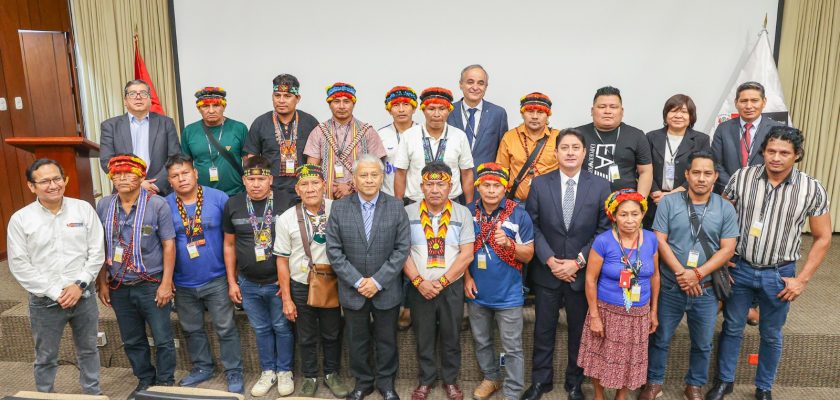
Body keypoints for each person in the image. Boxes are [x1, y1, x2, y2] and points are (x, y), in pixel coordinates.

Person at [706, 127, 831, 400]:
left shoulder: (811, 189)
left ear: (797, 155)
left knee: (771, 334)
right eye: (771, 151)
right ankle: (724, 382)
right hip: (739, 267)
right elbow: (721, 219)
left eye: (784, 153)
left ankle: (764, 387)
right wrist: (722, 261)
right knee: (732, 327)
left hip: (780, 274)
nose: (776, 157)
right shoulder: (742, 178)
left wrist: (802, 280)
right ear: (763, 150)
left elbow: (823, 238)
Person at [639, 151, 738, 400]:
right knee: (660, 337)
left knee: (703, 343)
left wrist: (697, 273)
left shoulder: (725, 207)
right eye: (696, 173)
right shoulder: (669, 203)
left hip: (704, 288)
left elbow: (728, 248)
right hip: (672, 285)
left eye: (707, 173)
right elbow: (659, 240)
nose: (701, 179)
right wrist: (682, 273)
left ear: (715, 176)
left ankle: (694, 384)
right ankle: (654, 382)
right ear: (687, 174)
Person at [523, 129, 612, 400]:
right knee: (543, 329)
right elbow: (532, 226)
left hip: (581, 273)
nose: (570, 152)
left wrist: (578, 262)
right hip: (547, 271)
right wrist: (550, 260)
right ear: (556, 152)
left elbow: (603, 229)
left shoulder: (600, 185)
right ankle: (541, 382)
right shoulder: (539, 184)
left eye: (576, 147)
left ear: (585, 153)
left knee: (578, 332)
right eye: (565, 147)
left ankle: (575, 383)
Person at [6, 159, 105, 395]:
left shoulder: (83, 209)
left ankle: (92, 394)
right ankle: (44, 395)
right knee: (46, 356)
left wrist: (79, 285)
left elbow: (97, 251)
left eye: (57, 179)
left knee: (89, 350)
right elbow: (19, 264)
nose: (53, 185)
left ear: (65, 180)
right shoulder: (21, 219)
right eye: (45, 181)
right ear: (32, 186)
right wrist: (55, 291)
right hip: (44, 300)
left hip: (83, 294)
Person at [326, 154, 411, 400]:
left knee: (386, 340)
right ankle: (363, 383)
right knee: (358, 341)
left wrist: (376, 281)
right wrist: (357, 281)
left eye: (374, 174)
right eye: (363, 175)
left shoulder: (396, 206)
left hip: (386, 289)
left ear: (382, 177)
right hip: (353, 290)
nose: (369, 180)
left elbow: (401, 248)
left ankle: (386, 383)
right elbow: (334, 250)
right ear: (354, 179)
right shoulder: (340, 207)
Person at [94, 154, 177, 399]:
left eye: (128, 173)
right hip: (118, 285)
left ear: (141, 176)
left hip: (151, 283)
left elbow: (169, 246)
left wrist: (166, 284)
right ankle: (144, 380)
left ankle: (165, 382)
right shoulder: (104, 205)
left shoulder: (157, 204)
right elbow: (102, 247)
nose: (122, 178)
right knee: (132, 339)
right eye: (117, 174)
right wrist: (101, 283)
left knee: (162, 338)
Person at [163, 154, 244, 394]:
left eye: (185, 173)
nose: (181, 179)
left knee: (225, 327)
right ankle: (202, 367)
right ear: (169, 181)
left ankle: (233, 370)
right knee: (191, 328)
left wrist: (233, 278)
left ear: (195, 173)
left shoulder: (218, 198)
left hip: (217, 278)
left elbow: (232, 240)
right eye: (175, 176)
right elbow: (163, 244)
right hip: (183, 282)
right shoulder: (164, 205)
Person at [222, 155, 297, 397]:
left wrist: (286, 284)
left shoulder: (286, 202)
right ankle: (268, 371)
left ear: (270, 179)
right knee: (261, 329)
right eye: (251, 179)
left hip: (277, 282)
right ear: (244, 180)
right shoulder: (233, 204)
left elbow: (296, 242)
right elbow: (229, 245)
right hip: (248, 283)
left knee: (282, 327)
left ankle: (285, 371)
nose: (256, 184)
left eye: (261, 179)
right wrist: (232, 282)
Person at [273, 164, 351, 398]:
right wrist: (286, 298)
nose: (310, 189)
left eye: (315, 183)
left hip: (332, 281)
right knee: (305, 335)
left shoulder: (339, 209)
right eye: (304, 184)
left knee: (332, 332)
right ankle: (309, 376)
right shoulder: (286, 219)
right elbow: (281, 260)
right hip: (301, 283)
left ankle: (331, 374)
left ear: (324, 185)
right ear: (297, 189)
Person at [578, 189, 660, 400]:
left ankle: (620, 395)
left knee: (629, 358)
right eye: (623, 214)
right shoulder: (603, 241)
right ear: (614, 216)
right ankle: (599, 395)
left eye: (635, 213)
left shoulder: (651, 240)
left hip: (638, 313)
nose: (629, 220)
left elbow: (655, 276)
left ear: (643, 214)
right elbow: (590, 279)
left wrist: (653, 311)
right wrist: (595, 316)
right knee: (600, 356)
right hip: (607, 312)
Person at [403, 162, 475, 400]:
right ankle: (425, 381)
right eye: (430, 184)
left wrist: (442, 282)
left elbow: (467, 254)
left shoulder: (462, 213)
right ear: (421, 186)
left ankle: (451, 381)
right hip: (419, 287)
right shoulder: (408, 212)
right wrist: (419, 281)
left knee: (451, 335)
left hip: (450, 287)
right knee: (423, 335)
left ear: (450, 186)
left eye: (440, 184)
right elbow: (401, 252)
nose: (435, 189)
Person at [465, 163, 535, 400]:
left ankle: (513, 390)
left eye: (497, 186)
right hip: (476, 292)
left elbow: (529, 255)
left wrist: (509, 244)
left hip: (509, 295)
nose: (492, 190)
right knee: (482, 341)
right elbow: (459, 251)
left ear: (505, 188)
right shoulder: (467, 212)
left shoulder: (518, 214)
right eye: (487, 185)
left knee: (512, 347)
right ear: (478, 187)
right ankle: (491, 378)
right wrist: (466, 278)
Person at [305, 82, 387, 199]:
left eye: (346, 101)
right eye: (336, 101)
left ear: (353, 104)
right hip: (326, 198)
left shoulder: (368, 132)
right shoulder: (318, 132)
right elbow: (311, 171)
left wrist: (351, 187)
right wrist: (328, 187)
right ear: (329, 104)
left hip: (360, 197)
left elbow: (377, 170)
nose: (342, 106)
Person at [394, 87, 475, 204]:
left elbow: (467, 173)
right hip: (416, 203)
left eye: (442, 109)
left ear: (449, 110)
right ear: (423, 110)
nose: (436, 114)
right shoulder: (409, 136)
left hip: (451, 203)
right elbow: (401, 172)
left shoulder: (459, 136)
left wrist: (469, 207)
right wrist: (398, 207)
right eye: (431, 109)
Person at [99, 79, 181, 195]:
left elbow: (174, 157)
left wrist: (156, 185)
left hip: (161, 192)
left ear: (149, 99)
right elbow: (107, 161)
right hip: (125, 192)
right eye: (132, 94)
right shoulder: (110, 126)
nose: (138, 97)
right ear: (125, 101)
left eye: (143, 93)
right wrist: (136, 183)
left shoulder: (166, 123)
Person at [244, 74, 320, 196]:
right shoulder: (260, 123)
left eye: (287, 96)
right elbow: (251, 160)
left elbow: (317, 159)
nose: (281, 100)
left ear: (298, 98)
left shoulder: (310, 122)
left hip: (303, 191)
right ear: (272, 97)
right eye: (277, 95)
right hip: (270, 191)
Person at [645, 94, 711, 227]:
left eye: (684, 112)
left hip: (686, 200)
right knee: (653, 241)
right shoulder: (651, 137)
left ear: (691, 116)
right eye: (673, 111)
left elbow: (702, 172)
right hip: (654, 201)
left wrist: (672, 195)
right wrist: (655, 192)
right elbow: (644, 168)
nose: (678, 115)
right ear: (666, 114)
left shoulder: (701, 139)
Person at [577, 86, 653, 197]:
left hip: (625, 204)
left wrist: (639, 203)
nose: (607, 111)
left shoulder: (636, 135)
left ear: (622, 111)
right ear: (592, 111)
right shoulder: (576, 135)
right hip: (585, 200)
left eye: (613, 107)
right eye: (602, 107)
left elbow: (645, 172)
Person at [711, 81, 785, 194]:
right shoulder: (723, 128)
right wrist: (732, 187)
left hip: (764, 193)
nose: (749, 106)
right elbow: (716, 163)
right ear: (736, 103)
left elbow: (781, 163)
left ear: (764, 102)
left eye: (754, 101)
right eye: (744, 101)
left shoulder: (778, 129)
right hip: (727, 195)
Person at [180, 87, 247, 196]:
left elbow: (248, 162)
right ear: (199, 108)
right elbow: (185, 166)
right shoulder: (189, 131)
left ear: (224, 106)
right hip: (203, 195)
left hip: (236, 194)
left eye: (216, 105)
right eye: (205, 106)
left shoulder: (239, 128)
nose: (211, 110)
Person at [496, 92, 559, 202]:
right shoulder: (509, 137)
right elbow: (501, 172)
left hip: (550, 203)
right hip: (516, 203)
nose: (535, 116)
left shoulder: (558, 137)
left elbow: (567, 171)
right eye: (530, 111)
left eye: (540, 112)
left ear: (548, 115)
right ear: (522, 114)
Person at [447, 64, 509, 168]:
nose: (475, 87)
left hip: (485, 180)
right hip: (453, 179)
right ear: (461, 84)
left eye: (481, 83)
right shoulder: (448, 111)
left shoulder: (498, 113)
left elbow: (503, 153)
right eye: (470, 82)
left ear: (486, 87)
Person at [380, 86, 419, 197]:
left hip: (418, 197)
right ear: (389, 110)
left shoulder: (423, 133)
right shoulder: (381, 135)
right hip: (389, 196)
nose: (401, 110)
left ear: (414, 108)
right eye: (396, 105)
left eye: (406, 105)